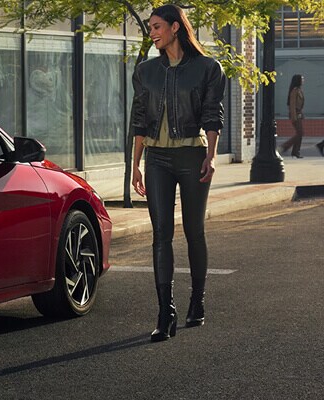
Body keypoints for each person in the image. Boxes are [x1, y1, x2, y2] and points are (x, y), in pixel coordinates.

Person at [129, 4, 225, 342]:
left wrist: (211, 156)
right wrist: (135, 165)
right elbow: (139, 121)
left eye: (156, 27)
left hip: (191, 155)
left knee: (194, 231)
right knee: (161, 235)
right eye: (150, 27)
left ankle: (196, 302)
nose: (151, 32)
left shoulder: (207, 68)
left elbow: (212, 116)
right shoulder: (145, 71)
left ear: (174, 27)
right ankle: (165, 313)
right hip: (156, 158)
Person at [282, 75, 308, 158]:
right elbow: (292, 105)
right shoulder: (294, 91)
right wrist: (294, 117)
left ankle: (296, 152)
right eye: (302, 79)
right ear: (298, 80)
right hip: (295, 114)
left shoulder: (299, 90)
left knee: (300, 133)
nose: (303, 80)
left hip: (299, 113)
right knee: (300, 133)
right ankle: (285, 147)